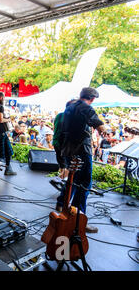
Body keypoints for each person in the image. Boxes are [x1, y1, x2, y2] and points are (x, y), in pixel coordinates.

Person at [56, 87, 106, 234]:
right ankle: (79, 221)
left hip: (68, 149)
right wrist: (106, 130)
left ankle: (66, 215)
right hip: (81, 151)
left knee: (73, 182)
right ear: (92, 99)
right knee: (84, 184)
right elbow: (100, 126)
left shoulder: (70, 107)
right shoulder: (86, 108)